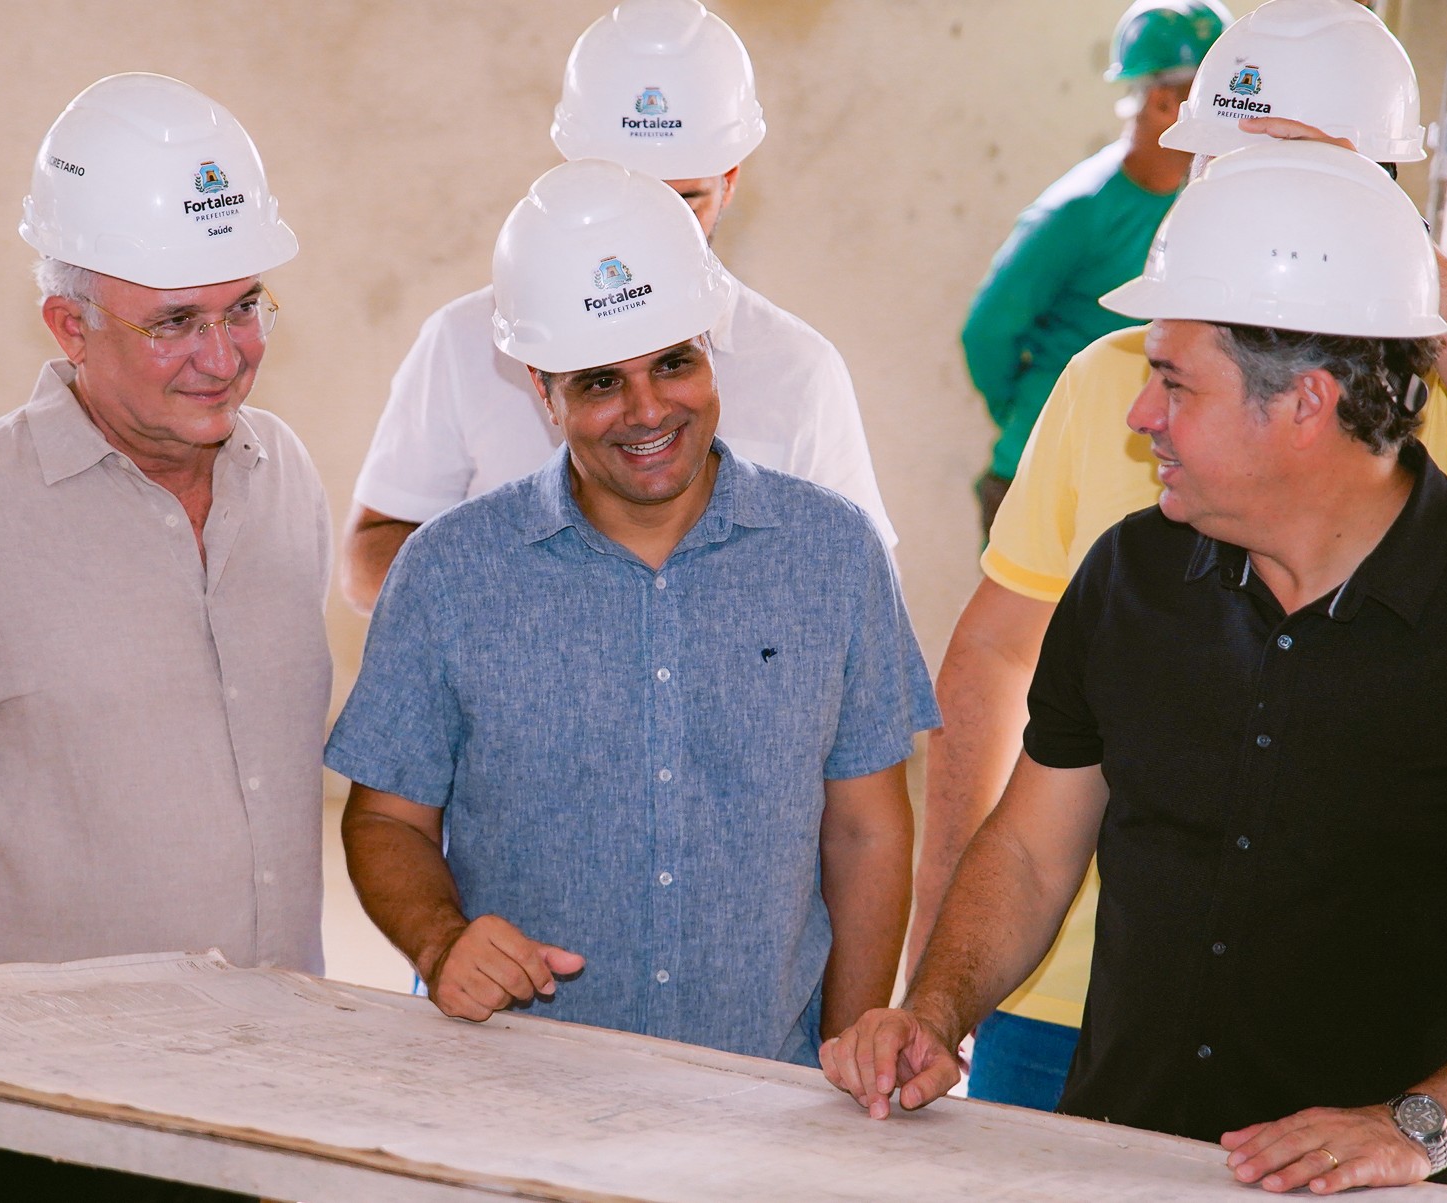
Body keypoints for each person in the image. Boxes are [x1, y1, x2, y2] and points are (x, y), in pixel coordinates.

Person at [826, 141, 1447, 1201]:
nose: (1139, 416)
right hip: (1120, 1161)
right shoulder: (1126, 578)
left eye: (1170, 383)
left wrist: (1420, 1127)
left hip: (1387, 1191)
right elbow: (1028, 851)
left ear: (1302, 405)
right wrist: (936, 1012)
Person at [0, 73, 325, 1203]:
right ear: (67, 325)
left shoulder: (285, 479)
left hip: (274, 1097)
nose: (224, 354)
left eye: (243, 306)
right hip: (29, 1128)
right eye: (175, 323)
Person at [330, 159, 934, 1067]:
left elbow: (867, 828)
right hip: (517, 1094)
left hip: (763, 1094)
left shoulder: (831, 555)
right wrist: (438, 939)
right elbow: (385, 821)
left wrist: (844, 1060)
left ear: (707, 350)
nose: (649, 411)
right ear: (543, 388)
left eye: (674, 364)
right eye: (601, 382)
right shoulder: (451, 572)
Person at [342, 0, 892, 613]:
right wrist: (529, 598)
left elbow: (860, 598)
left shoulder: (798, 369)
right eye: (627, 191)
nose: (651, 226)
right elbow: (368, 559)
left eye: (685, 201)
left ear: (731, 181)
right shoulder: (465, 339)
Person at [961, 0, 1227, 536]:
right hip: (1046, 482)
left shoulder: (1204, 199)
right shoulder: (1078, 212)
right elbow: (986, 333)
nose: (1233, 117)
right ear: (1161, 102)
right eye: (1217, 100)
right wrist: (1035, 414)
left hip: (1135, 487)